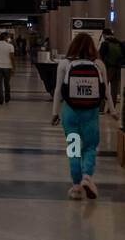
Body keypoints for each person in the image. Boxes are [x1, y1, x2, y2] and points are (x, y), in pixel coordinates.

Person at [52, 32, 120, 200]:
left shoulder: (64, 63)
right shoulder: (98, 64)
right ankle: (87, 177)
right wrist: (113, 111)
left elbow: (58, 90)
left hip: (70, 112)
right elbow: (106, 91)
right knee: (90, 147)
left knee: (73, 149)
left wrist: (55, 113)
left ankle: (76, 187)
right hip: (91, 111)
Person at [98, 28, 124, 108]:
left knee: (102, 87)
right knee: (114, 89)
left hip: (107, 68)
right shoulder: (119, 43)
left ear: (104, 34)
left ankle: (101, 108)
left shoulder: (105, 43)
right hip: (117, 68)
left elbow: (100, 57)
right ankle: (112, 108)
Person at [0, 32, 15, 105]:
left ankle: (0, 99)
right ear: (6, 38)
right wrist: (14, 67)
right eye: (8, 37)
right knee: (7, 83)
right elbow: (12, 57)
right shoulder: (10, 46)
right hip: (7, 67)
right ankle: (7, 98)